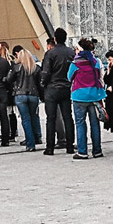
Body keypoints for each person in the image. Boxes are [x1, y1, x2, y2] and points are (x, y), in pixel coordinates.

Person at [67, 39, 106, 159]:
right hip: (94, 95)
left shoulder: (75, 63)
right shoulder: (95, 62)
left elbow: (69, 78)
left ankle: (82, 151)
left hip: (79, 96)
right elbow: (100, 76)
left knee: (80, 124)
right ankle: (97, 151)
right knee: (95, 124)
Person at [40, 28, 75, 156]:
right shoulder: (71, 52)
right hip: (66, 87)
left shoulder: (50, 53)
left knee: (51, 118)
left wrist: (43, 83)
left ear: (55, 39)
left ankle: (50, 148)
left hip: (52, 88)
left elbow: (46, 71)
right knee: (68, 117)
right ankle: (70, 146)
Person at [11, 48, 42, 152]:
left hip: (20, 95)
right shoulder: (36, 68)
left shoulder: (17, 68)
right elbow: (40, 84)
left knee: (25, 119)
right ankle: (37, 137)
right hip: (33, 95)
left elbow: (9, 79)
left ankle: (30, 144)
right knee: (34, 117)